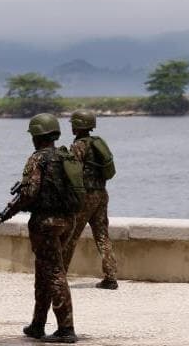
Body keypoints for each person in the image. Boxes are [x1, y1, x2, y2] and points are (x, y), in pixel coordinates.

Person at [0, 113, 78, 344]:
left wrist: (12, 210)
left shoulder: (37, 159)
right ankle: (37, 324)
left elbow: (30, 192)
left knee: (53, 272)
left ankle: (66, 329)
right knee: (44, 271)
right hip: (68, 221)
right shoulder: (65, 156)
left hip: (46, 223)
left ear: (37, 136)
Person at [62, 109, 118, 289]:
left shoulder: (78, 146)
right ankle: (111, 277)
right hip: (101, 194)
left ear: (78, 125)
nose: (71, 127)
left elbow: (72, 173)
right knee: (102, 236)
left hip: (85, 197)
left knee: (71, 236)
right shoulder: (97, 144)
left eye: (73, 124)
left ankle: (59, 277)